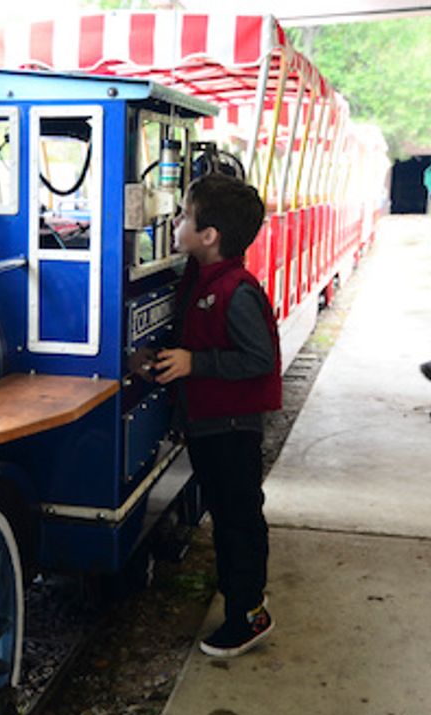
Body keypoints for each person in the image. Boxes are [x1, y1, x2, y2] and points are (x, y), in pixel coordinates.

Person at [154, 173, 281, 658]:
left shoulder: (237, 290)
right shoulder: (201, 277)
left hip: (231, 429)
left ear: (209, 236)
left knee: (236, 519)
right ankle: (246, 599)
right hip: (211, 424)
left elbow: (259, 359)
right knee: (231, 515)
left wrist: (195, 363)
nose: (176, 221)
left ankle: (248, 614)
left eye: (184, 216)